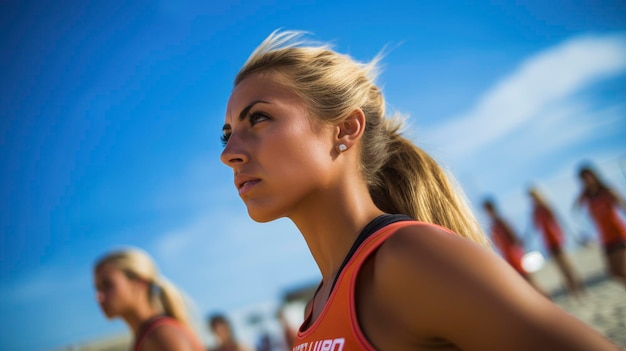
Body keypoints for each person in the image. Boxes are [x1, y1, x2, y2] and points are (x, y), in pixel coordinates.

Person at [219, 30, 619, 350]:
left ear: (345, 129)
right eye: (227, 135)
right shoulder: (316, 308)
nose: (230, 154)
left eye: (258, 118)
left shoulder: (407, 258)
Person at [94, 247, 205, 351]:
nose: (98, 296)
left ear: (140, 283)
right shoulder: (149, 336)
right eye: (97, 288)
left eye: (107, 285)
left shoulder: (161, 336)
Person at [528, 187, 585, 297]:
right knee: (560, 266)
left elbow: (557, 220)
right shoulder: (536, 212)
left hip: (556, 238)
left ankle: (577, 286)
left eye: (533, 197)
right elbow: (535, 226)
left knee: (566, 265)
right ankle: (572, 288)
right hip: (548, 241)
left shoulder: (546, 207)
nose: (532, 199)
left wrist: (564, 234)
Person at [575, 165, 626, 289]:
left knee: (622, 268)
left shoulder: (606, 191)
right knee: (613, 272)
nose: (587, 181)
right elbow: (575, 207)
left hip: (618, 232)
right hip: (605, 237)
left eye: (588, 177)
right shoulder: (586, 196)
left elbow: (623, 205)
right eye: (584, 179)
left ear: (594, 176)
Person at [481, 198, 545, 296]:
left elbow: (514, 237)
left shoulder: (500, 221)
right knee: (523, 281)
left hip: (514, 254)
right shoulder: (494, 224)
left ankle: (544, 299)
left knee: (527, 279)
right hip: (508, 255)